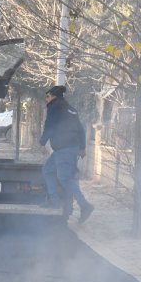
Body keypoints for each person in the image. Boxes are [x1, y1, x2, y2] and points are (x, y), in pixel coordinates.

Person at [39, 85, 94, 223]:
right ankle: (54, 201)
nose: (46, 99)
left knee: (64, 178)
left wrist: (42, 142)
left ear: (53, 96)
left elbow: (49, 125)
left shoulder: (54, 107)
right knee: (48, 170)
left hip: (64, 149)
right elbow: (81, 129)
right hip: (68, 148)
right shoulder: (71, 109)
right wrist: (82, 147)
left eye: (47, 96)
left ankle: (85, 205)